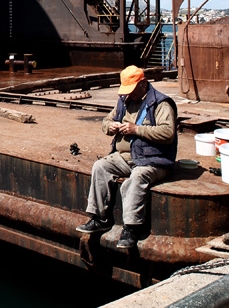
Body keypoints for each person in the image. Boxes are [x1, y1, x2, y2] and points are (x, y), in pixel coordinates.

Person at [76, 65, 177, 249]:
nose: (129, 95)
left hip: (153, 159)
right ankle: (99, 218)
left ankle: (131, 228)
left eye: (132, 90)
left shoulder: (161, 103)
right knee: (100, 166)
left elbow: (168, 132)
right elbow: (106, 121)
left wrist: (136, 129)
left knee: (137, 177)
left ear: (143, 84)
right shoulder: (124, 101)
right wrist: (111, 127)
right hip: (126, 156)